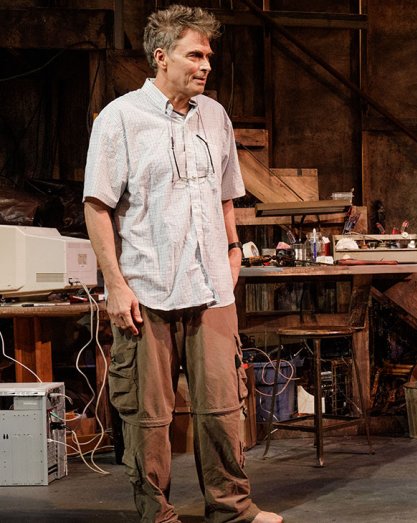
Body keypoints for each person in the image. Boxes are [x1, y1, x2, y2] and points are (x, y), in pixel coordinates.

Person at [83, 5, 281, 523]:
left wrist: (235, 251)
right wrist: (116, 285)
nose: (206, 64)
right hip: (147, 291)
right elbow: (97, 206)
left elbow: (224, 196)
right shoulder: (120, 118)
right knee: (149, 419)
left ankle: (233, 509)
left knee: (223, 409)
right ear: (161, 57)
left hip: (212, 287)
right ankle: (157, 515)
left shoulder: (214, 116)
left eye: (209, 56)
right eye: (195, 54)